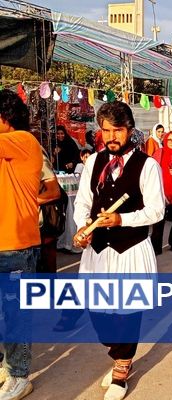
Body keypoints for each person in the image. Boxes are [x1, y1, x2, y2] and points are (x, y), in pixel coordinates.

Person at [72, 101, 165, 400]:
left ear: (130, 130)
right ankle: (119, 354)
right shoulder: (94, 163)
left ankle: (122, 369)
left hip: (131, 249)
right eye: (106, 130)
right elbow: (83, 203)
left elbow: (156, 210)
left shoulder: (147, 165)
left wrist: (122, 218)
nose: (111, 136)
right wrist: (82, 227)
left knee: (126, 312)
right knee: (99, 313)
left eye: (118, 130)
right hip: (98, 250)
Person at [0, 88, 43, 400]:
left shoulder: (25, 141)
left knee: (15, 315)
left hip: (16, 247)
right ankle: (6, 367)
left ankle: (19, 375)